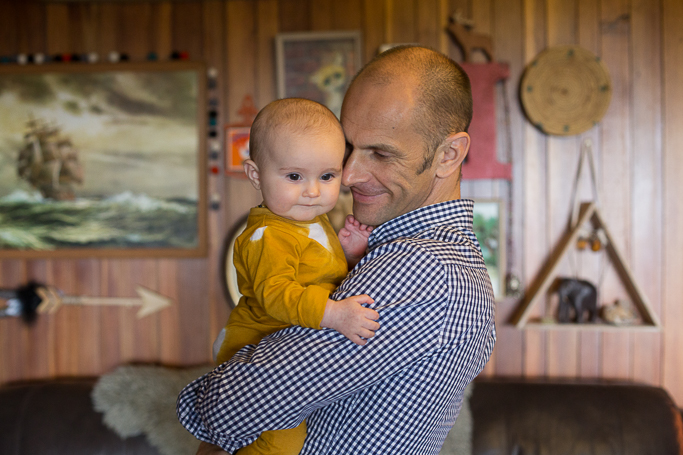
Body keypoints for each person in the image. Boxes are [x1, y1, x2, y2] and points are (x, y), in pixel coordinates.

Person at [177, 45, 496, 455]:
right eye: (348, 149)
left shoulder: (424, 269)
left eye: (380, 153)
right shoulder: (405, 256)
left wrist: (202, 406)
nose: (347, 175)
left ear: (448, 154)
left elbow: (230, 407)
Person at [213, 98, 380, 455]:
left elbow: (315, 273)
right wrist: (333, 315)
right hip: (256, 354)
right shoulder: (268, 236)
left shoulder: (306, 218)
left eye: (327, 176)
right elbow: (276, 293)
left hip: (284, 350)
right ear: (256, 175)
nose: (312, 191)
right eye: (294, 176)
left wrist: (347, 255)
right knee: (279, 443)